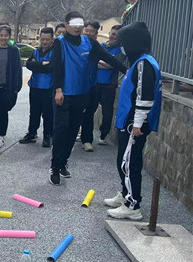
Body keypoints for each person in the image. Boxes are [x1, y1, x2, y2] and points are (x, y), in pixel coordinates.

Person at [49, 11, 127, 186]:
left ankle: (63, 162)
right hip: (64, 94)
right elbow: (57, 69)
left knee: (72, 130)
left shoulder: (89, 43)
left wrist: (127, 70)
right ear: (66, 24)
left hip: (82, 94)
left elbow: (108, 58)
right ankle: (54, 166)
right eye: (74, 23)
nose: (77, 27)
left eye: (80, 23)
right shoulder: (59, 43)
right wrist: (58, 90)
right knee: (61, 130)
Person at [104, 22, 162, 220]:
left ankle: (132, 204)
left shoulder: (144, 64)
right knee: (124, 159)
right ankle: (126, 194)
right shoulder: (141, 62)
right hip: (129, 121)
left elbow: (144, 96)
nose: (122, 47)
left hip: (134, 124)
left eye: (124, 42)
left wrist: (137, 123)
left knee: (129, 162)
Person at [85, 25, 124, 147]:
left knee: (107, 114)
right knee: (89, 111)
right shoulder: (101, 46)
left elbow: (114, 65)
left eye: (116, 35)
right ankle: (86, 136)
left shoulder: (121, 50)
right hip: (95, 84)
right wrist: (106, 62)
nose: (113, 36)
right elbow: (92, 61)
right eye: (112, 33)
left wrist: (100, 62)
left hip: (109, 86)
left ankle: (103, 135)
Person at [19, 27, 54, 147]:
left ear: (52, 39)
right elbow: (28, 64)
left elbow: (51, 67)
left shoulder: (54, 52)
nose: (44, 42)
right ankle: (32, 133)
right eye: (42, 39)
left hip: (48, 87)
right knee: (34, 112)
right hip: (34, 86)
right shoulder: (35, 51)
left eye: (47, 39)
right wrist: (40, 64)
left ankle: (47, 136)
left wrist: (36, 65)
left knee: (48, 113)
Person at [80, 20, 101, 152]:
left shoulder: (96, 46)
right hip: (77, 85)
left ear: (96, 33)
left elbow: (108, 59)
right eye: (86, 30)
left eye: (91, 31)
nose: (88, 33)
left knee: (88, 114)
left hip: (93, 85)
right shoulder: (78, 45)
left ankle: (87, 140)